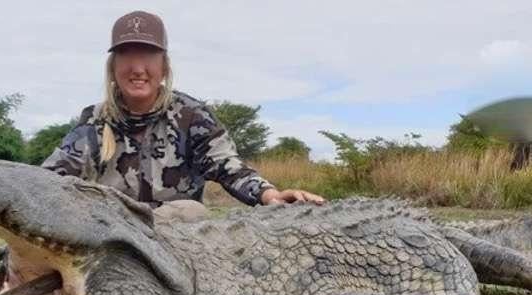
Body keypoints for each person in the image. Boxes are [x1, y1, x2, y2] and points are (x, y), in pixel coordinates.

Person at [41, 10, 325, 209]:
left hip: (178, 239)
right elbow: (49, 179)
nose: (138, 68)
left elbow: (228, 166)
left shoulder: (192, 116)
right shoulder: (94, 120)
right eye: (127, 55)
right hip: (115, 237)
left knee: (191, 211)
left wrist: (269, 195)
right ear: (113, 68)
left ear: (164, 67)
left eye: (148, 56)